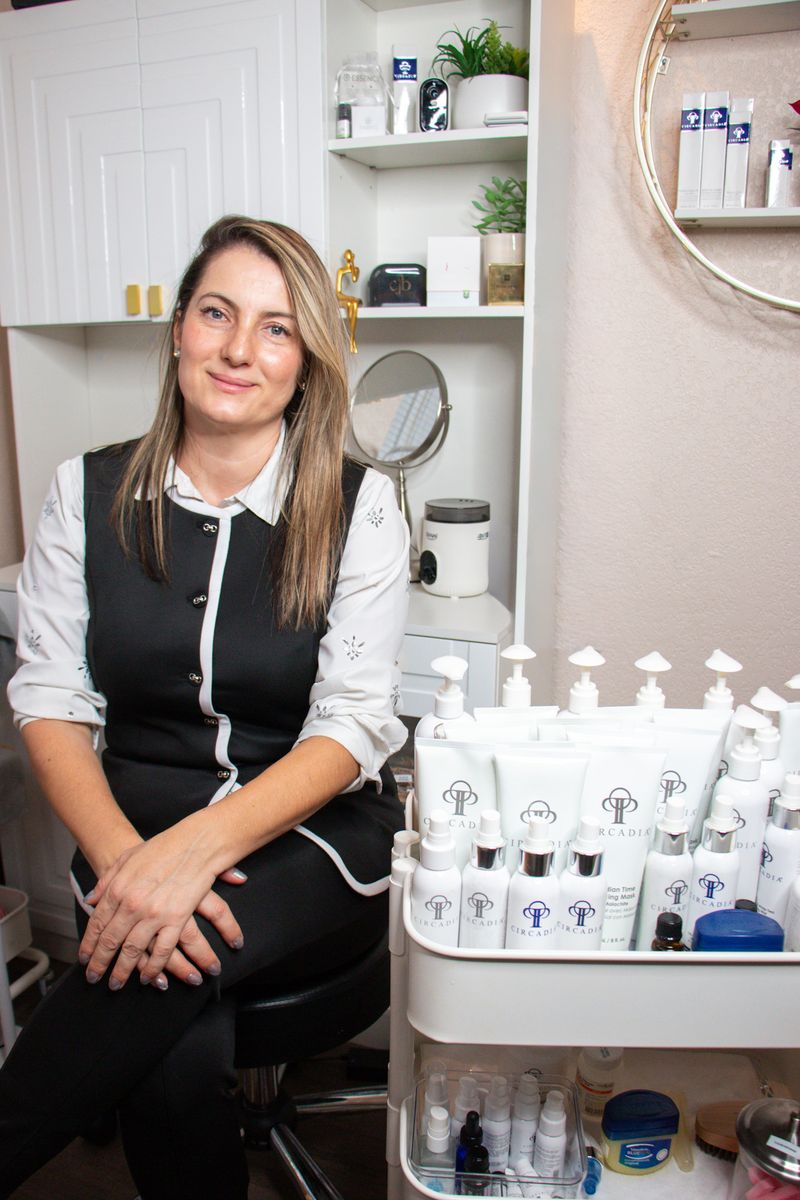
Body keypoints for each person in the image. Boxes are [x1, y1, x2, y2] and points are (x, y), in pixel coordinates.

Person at [1, 215, 409, 1198]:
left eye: (274, 328)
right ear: (177, 328)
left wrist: (190, 855)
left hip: (307, 838)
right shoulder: (83, 492)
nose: (238, 349)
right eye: (216, 313)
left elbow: (348, 726)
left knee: (151, 968)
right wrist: (126, 862)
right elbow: (51, 700)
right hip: (129, 830)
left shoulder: (360, 506)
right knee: (173, 1040)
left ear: (305, 361)